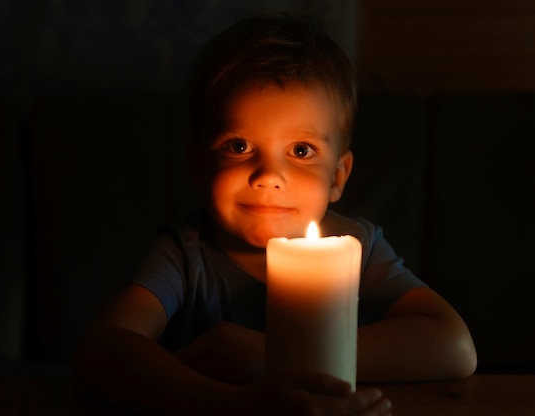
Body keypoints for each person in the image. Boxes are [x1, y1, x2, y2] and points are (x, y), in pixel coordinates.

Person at [75, 11, 477, 415]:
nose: (268, 176)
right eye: (238, 146)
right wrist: (239, 404)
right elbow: (102, 350)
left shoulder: (358, 250)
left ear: (338, 176)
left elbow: (454, 346)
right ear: (198, 165)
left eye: (301, 151)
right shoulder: (185, 254)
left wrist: (276, 355)